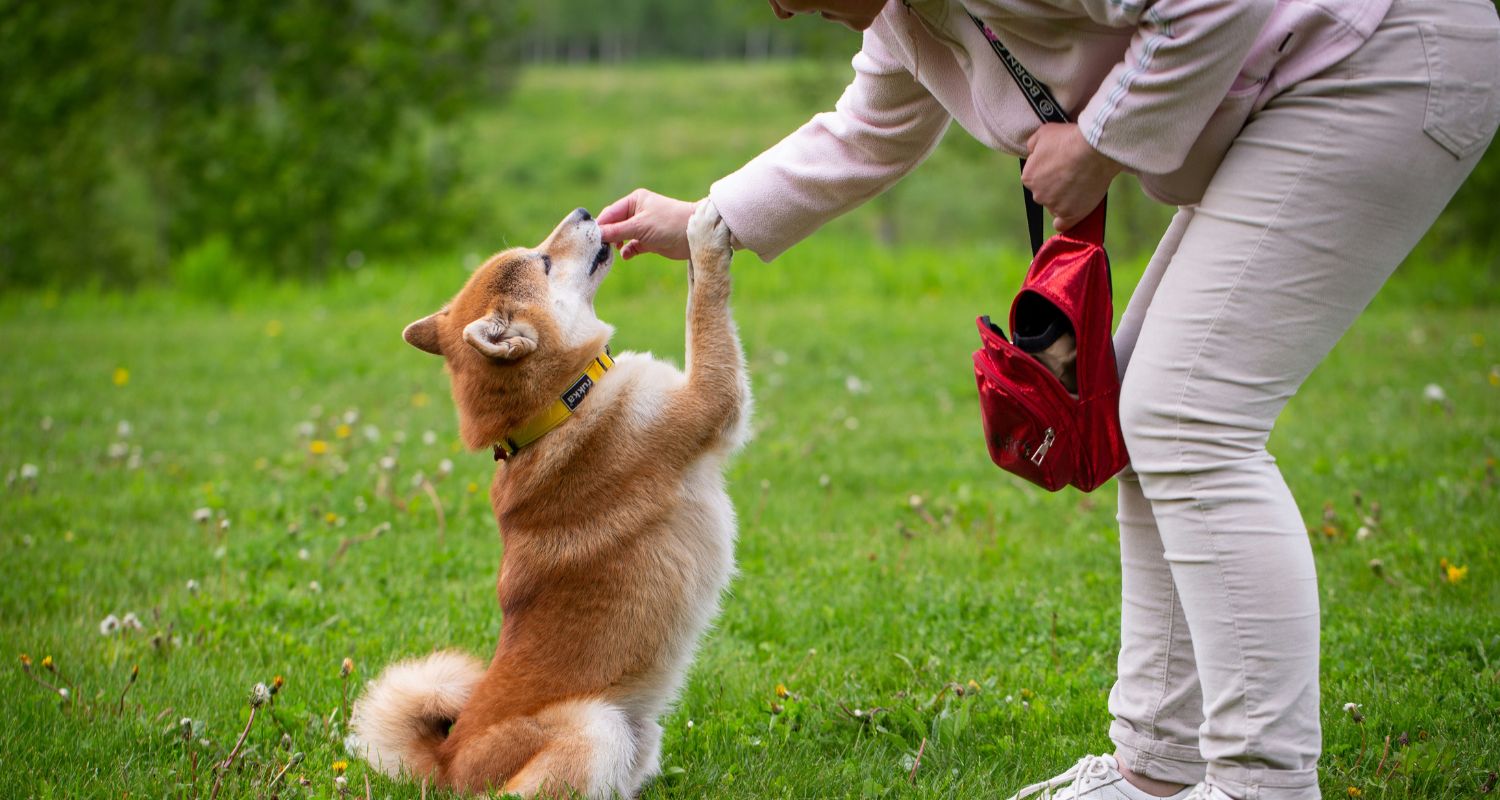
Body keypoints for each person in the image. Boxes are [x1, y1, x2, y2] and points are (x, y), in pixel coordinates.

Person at [598, 0, 1500, 798]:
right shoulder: (903, 18)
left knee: (1188, 421)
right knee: (1143, 418)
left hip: (1377, 59)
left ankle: (1263, 780)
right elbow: (865, 133)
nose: (782, 13)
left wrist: (1101, 141)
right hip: (1309, 83)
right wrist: (706, 219)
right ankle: (1157, 766)